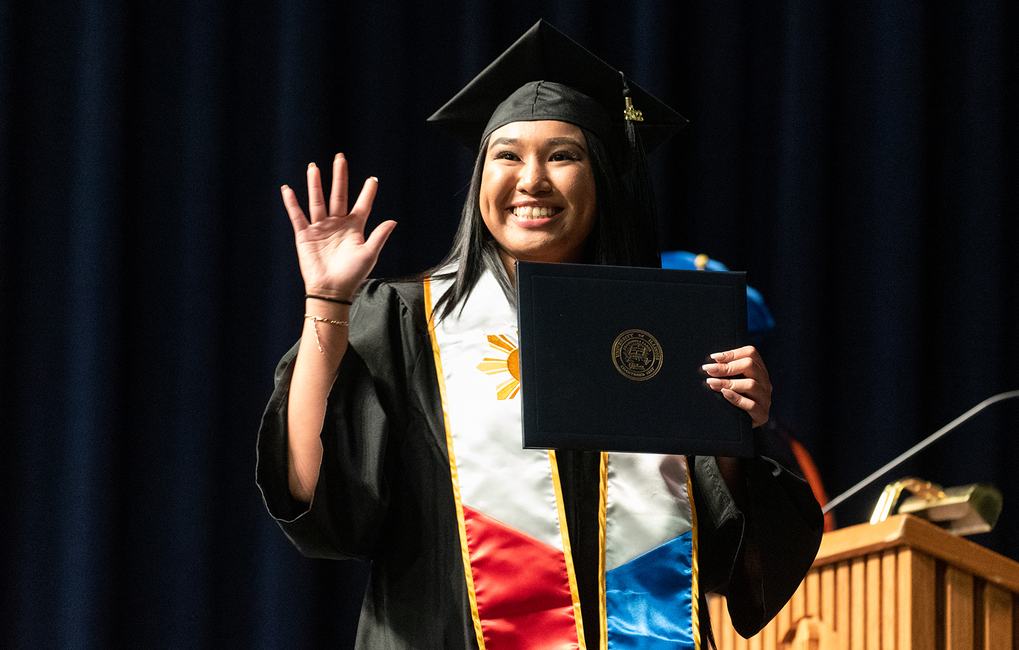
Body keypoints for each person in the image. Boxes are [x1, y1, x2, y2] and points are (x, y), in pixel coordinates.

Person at [257, 20, 823, 650]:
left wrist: (736, 433)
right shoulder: (405, 321)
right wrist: (328, 303)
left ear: (603, 176)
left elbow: (731, 563)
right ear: (480, 184)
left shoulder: (668, 332)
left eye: (562, 155)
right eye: (507, 155)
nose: (532, 180)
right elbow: (313, 495)